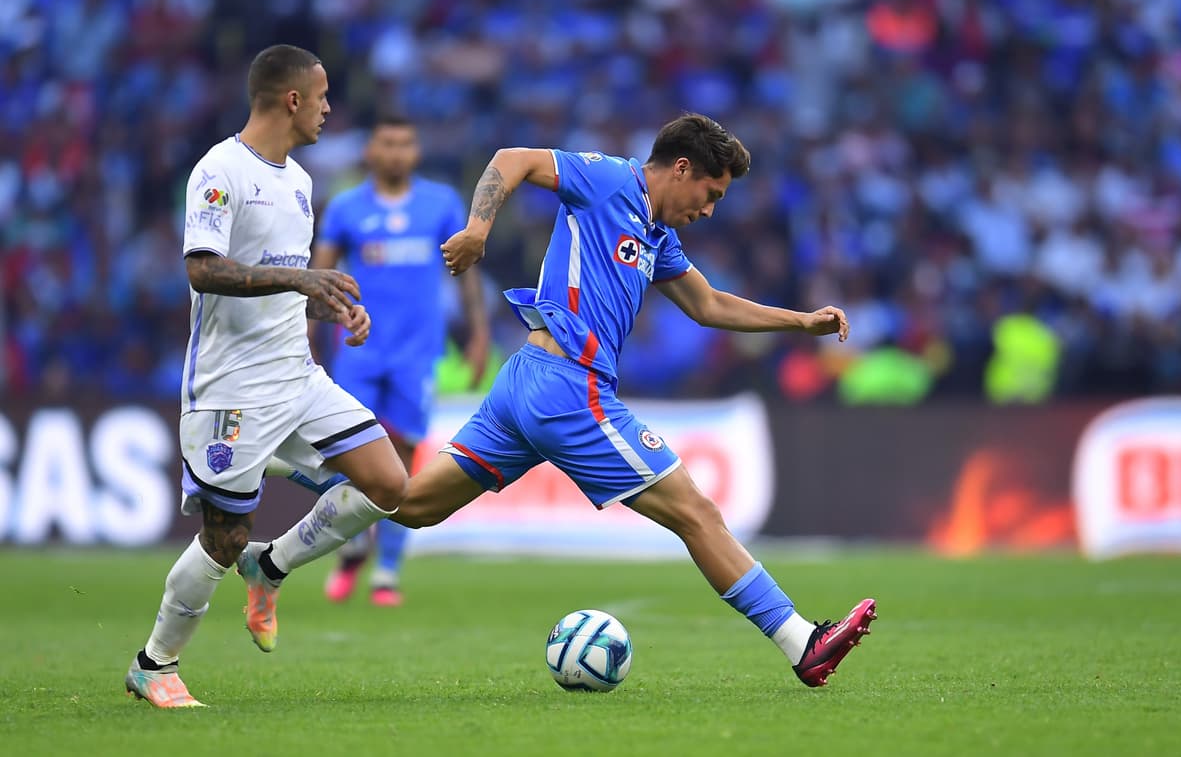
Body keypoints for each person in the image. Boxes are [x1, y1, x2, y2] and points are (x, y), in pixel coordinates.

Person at [291, 113, 877, 686]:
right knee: (696, 514)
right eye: (711, 191)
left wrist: (800, 322)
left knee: (412, 504)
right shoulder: (610, 179)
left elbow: (709, 306)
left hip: (526, 383)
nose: (710, 208)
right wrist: (478, 231)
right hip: (568, 387)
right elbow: (511, 160)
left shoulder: (656, 234)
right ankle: (804, 643)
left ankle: (294, 461)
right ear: (680, 168)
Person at [124, 44, 409, 708]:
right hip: (231, 387)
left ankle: (272, 563)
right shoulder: (219, 171)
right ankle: (154, 663)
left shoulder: (301, 182)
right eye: (323, 95)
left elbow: (282, 285)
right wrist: (299, 276)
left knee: (388, 482)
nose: (329, 108)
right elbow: (203, 268)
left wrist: (331, 307)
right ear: (292, 99)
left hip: (297, 376)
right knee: (222, 537)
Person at [311, 116, 490, 606]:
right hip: (358, 350)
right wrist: (306, 334)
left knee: (407, 460)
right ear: (371, 150)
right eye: (386, 143)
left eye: (405, 144)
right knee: (349, 454)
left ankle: (386, 570)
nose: (395, 152)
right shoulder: (346, 207)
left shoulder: (440, 204)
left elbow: (465, 271)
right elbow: (318, 276)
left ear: (416, 152)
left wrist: (478, 333)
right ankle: (350, 546)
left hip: (417, 354)